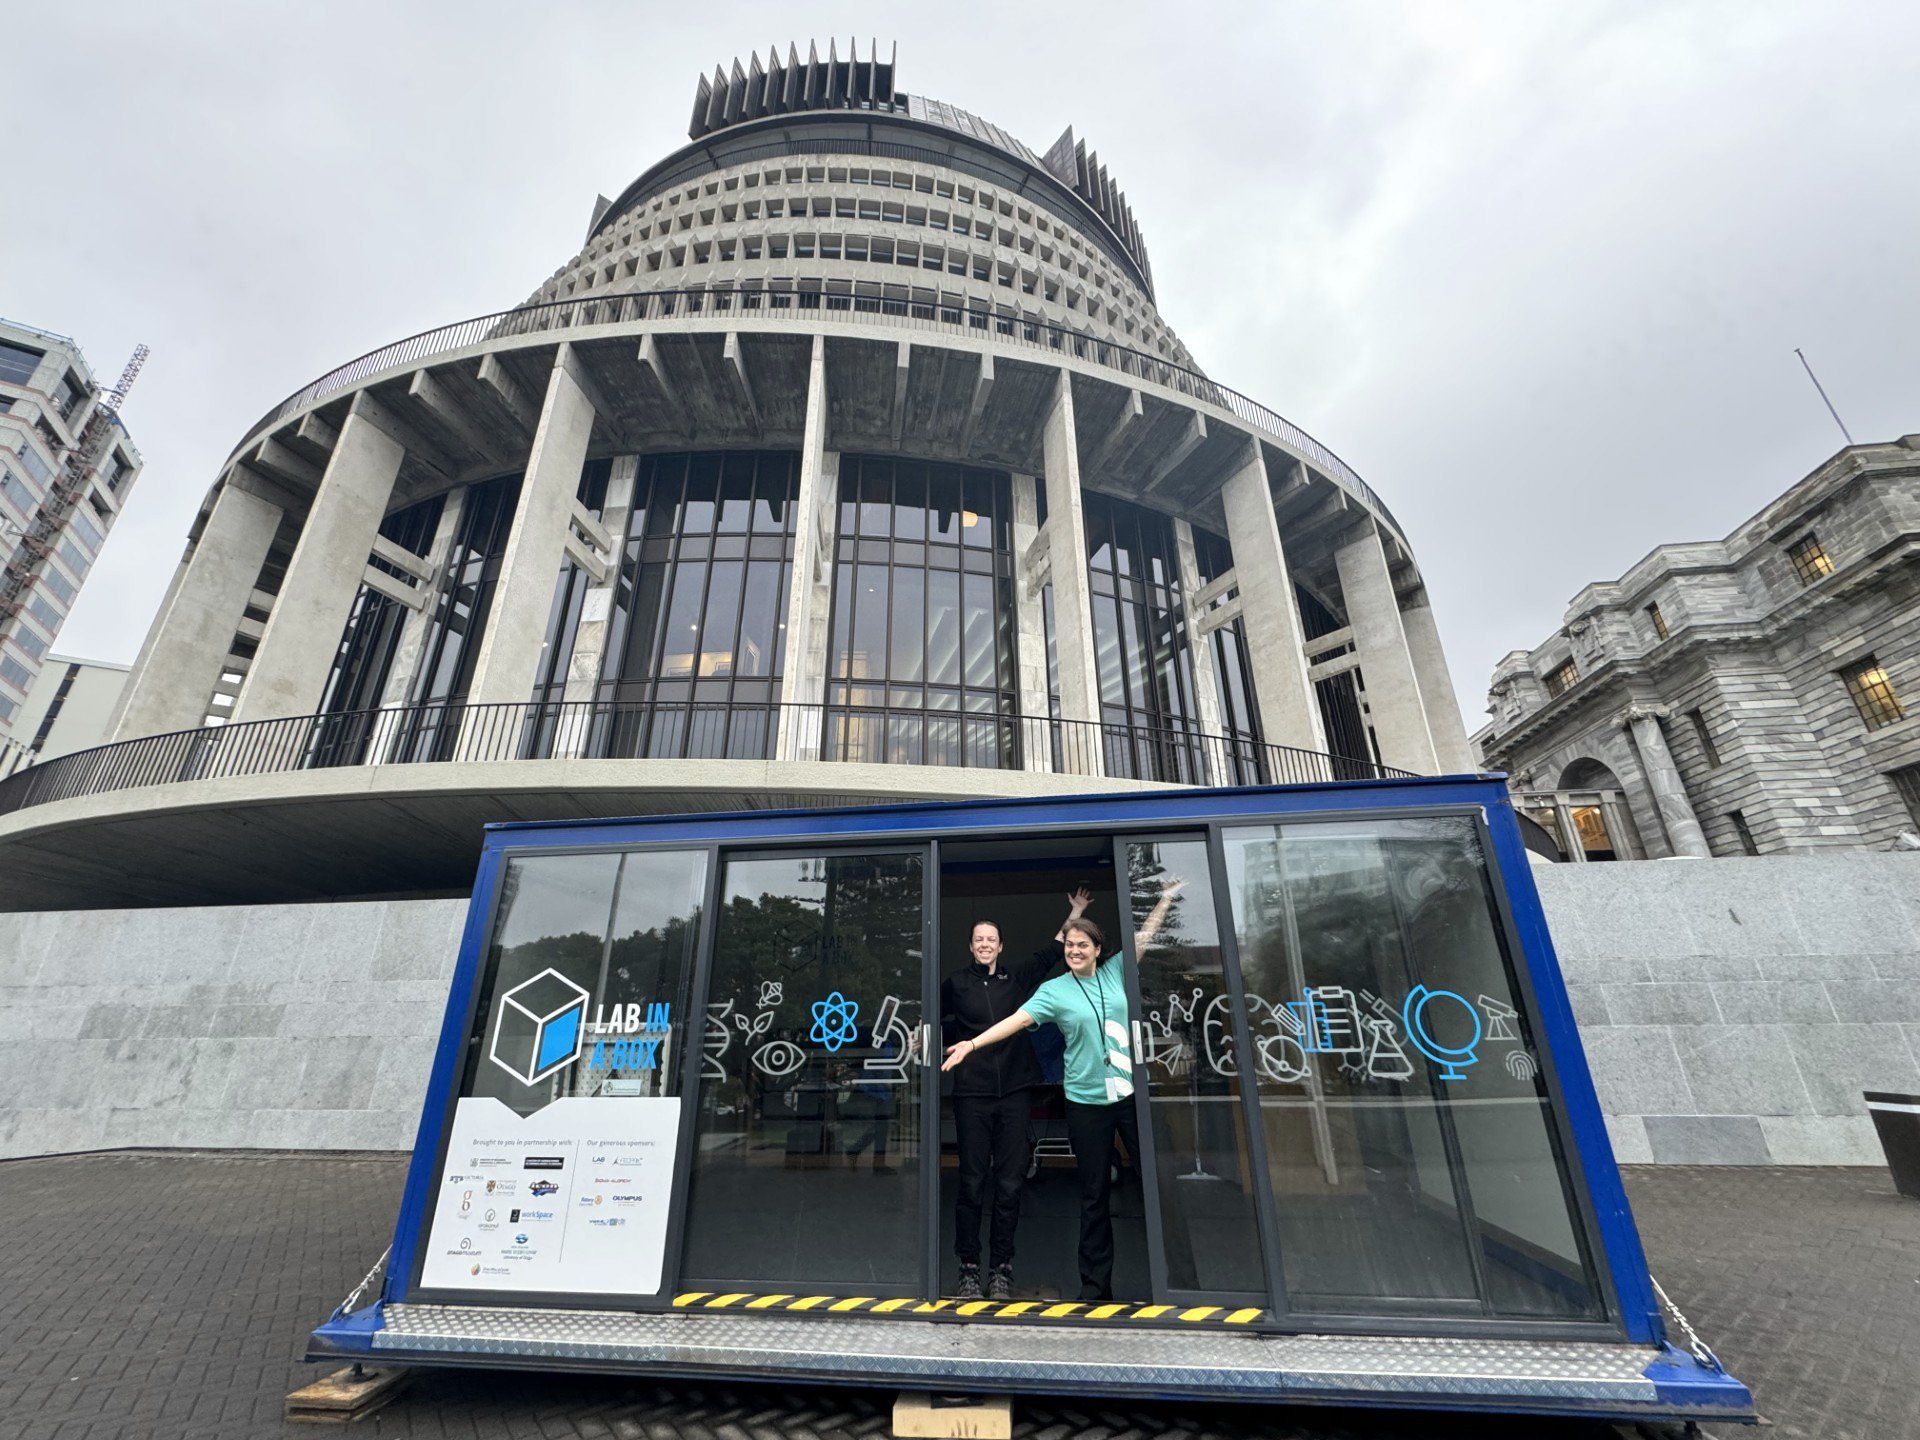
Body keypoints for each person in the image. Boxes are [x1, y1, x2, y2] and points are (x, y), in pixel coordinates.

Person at [942, 880, 1183, 1303]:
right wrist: (971, 1044)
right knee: (1089, 1197)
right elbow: (1014, 1022)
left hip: (1125, 1095)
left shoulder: (1113, 972)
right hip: (1079, 1102)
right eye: (1070, 945)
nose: (1074, 950)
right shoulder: (1051, 991)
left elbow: (1139, 937)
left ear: (1096, 948)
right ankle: (1094, 1290)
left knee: (1157, 1184)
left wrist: (1164, 898)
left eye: (1082, 944)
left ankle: (1179, 1281)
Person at [941, 889, 1091, 1301]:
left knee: (1009, 1185)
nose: (985, 944)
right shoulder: (955, 983)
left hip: (1014, 1093)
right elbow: (931, 1019)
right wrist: (922, 1044)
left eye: (991, 939)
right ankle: (968, 1267)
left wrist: (1075, 912)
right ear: (970, 946)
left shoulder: (1016, 977)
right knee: (972, 1183)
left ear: (1000, 946)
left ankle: (1001, 1269)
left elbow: (1051, 951)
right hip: (972, 1093)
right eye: (978, 939)